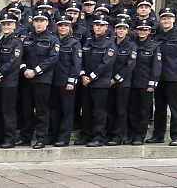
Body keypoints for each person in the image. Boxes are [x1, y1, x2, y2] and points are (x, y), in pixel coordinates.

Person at [150, 8, 177, 146]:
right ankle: (158, 135)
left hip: (173, 77)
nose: (166, 21)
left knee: (175, 108)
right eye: (163, 18)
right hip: (159, 77)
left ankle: (176, 136)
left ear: (174, 20)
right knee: (160, 107)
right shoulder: (157, 37)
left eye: (169, 18)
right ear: (160, 20)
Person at [19, 10, 59, 149]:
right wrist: (24, 70)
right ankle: (25, 137)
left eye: (42, 21)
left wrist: (35, 71)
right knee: (27, 109)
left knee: (41, 110)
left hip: (42, 79)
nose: (39, 23)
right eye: (36, 21)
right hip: (27, 79)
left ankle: (41, 138)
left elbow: (52, 59)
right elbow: (21, 57)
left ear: (47, 23)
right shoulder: (28, 38)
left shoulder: (52, 39)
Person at [77, 15, 116, 147]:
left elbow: (106, 64)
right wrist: (82, 75)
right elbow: (80, 60)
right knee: (86, 110)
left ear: (106, 27)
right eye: (96, 25)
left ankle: (98, 136)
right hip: (86, 82)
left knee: (99, 111)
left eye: (101, 25)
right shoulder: (88, 42)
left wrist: (91, 77)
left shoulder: (110, 44)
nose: (98, 27)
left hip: (100, 83)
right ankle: (86, 134)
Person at [49, 16, 82, 147]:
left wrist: (72, 80)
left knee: (67, 110)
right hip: (53, 80)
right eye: (61, 25)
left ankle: (63, 137)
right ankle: (53, 135)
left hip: (66, 81)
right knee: (54, 109)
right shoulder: (53, 40)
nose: (63, 28)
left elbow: (77, 63)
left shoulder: (74, 42)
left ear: (70, 27)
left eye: (65, 25)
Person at [0, 14, 23, 149]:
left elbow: (13, 62)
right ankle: (0, 136)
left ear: (14, 26)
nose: (6, 27)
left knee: (8, 111)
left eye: (9, 24)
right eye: (4, 24)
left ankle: (10, 139)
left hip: (9, 82)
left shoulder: (16, 42)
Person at [128, 21, 161, 145]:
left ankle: (139, 136)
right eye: (140, 29)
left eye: (145, 30)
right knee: (131, 110)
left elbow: (156, 66)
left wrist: (152, 83)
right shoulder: (132, 45)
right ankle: (131, 134)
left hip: (145, 83)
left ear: (149, 31)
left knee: (144, 111)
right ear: (136, 30)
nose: (142, 32)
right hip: (131, 82)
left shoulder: (154, 46)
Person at [107, 18, 136, 146]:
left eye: (124, 29)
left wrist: (116, 79)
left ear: (127, 31)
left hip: (122, 83)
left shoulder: (131, 45)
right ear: (115, 29)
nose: (121, 31)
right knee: (109, 109)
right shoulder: (110, 43)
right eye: (119, 28)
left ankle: (118, 136)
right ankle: (109, 133)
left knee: (120, 110)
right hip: (108, 81)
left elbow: (129, 66)